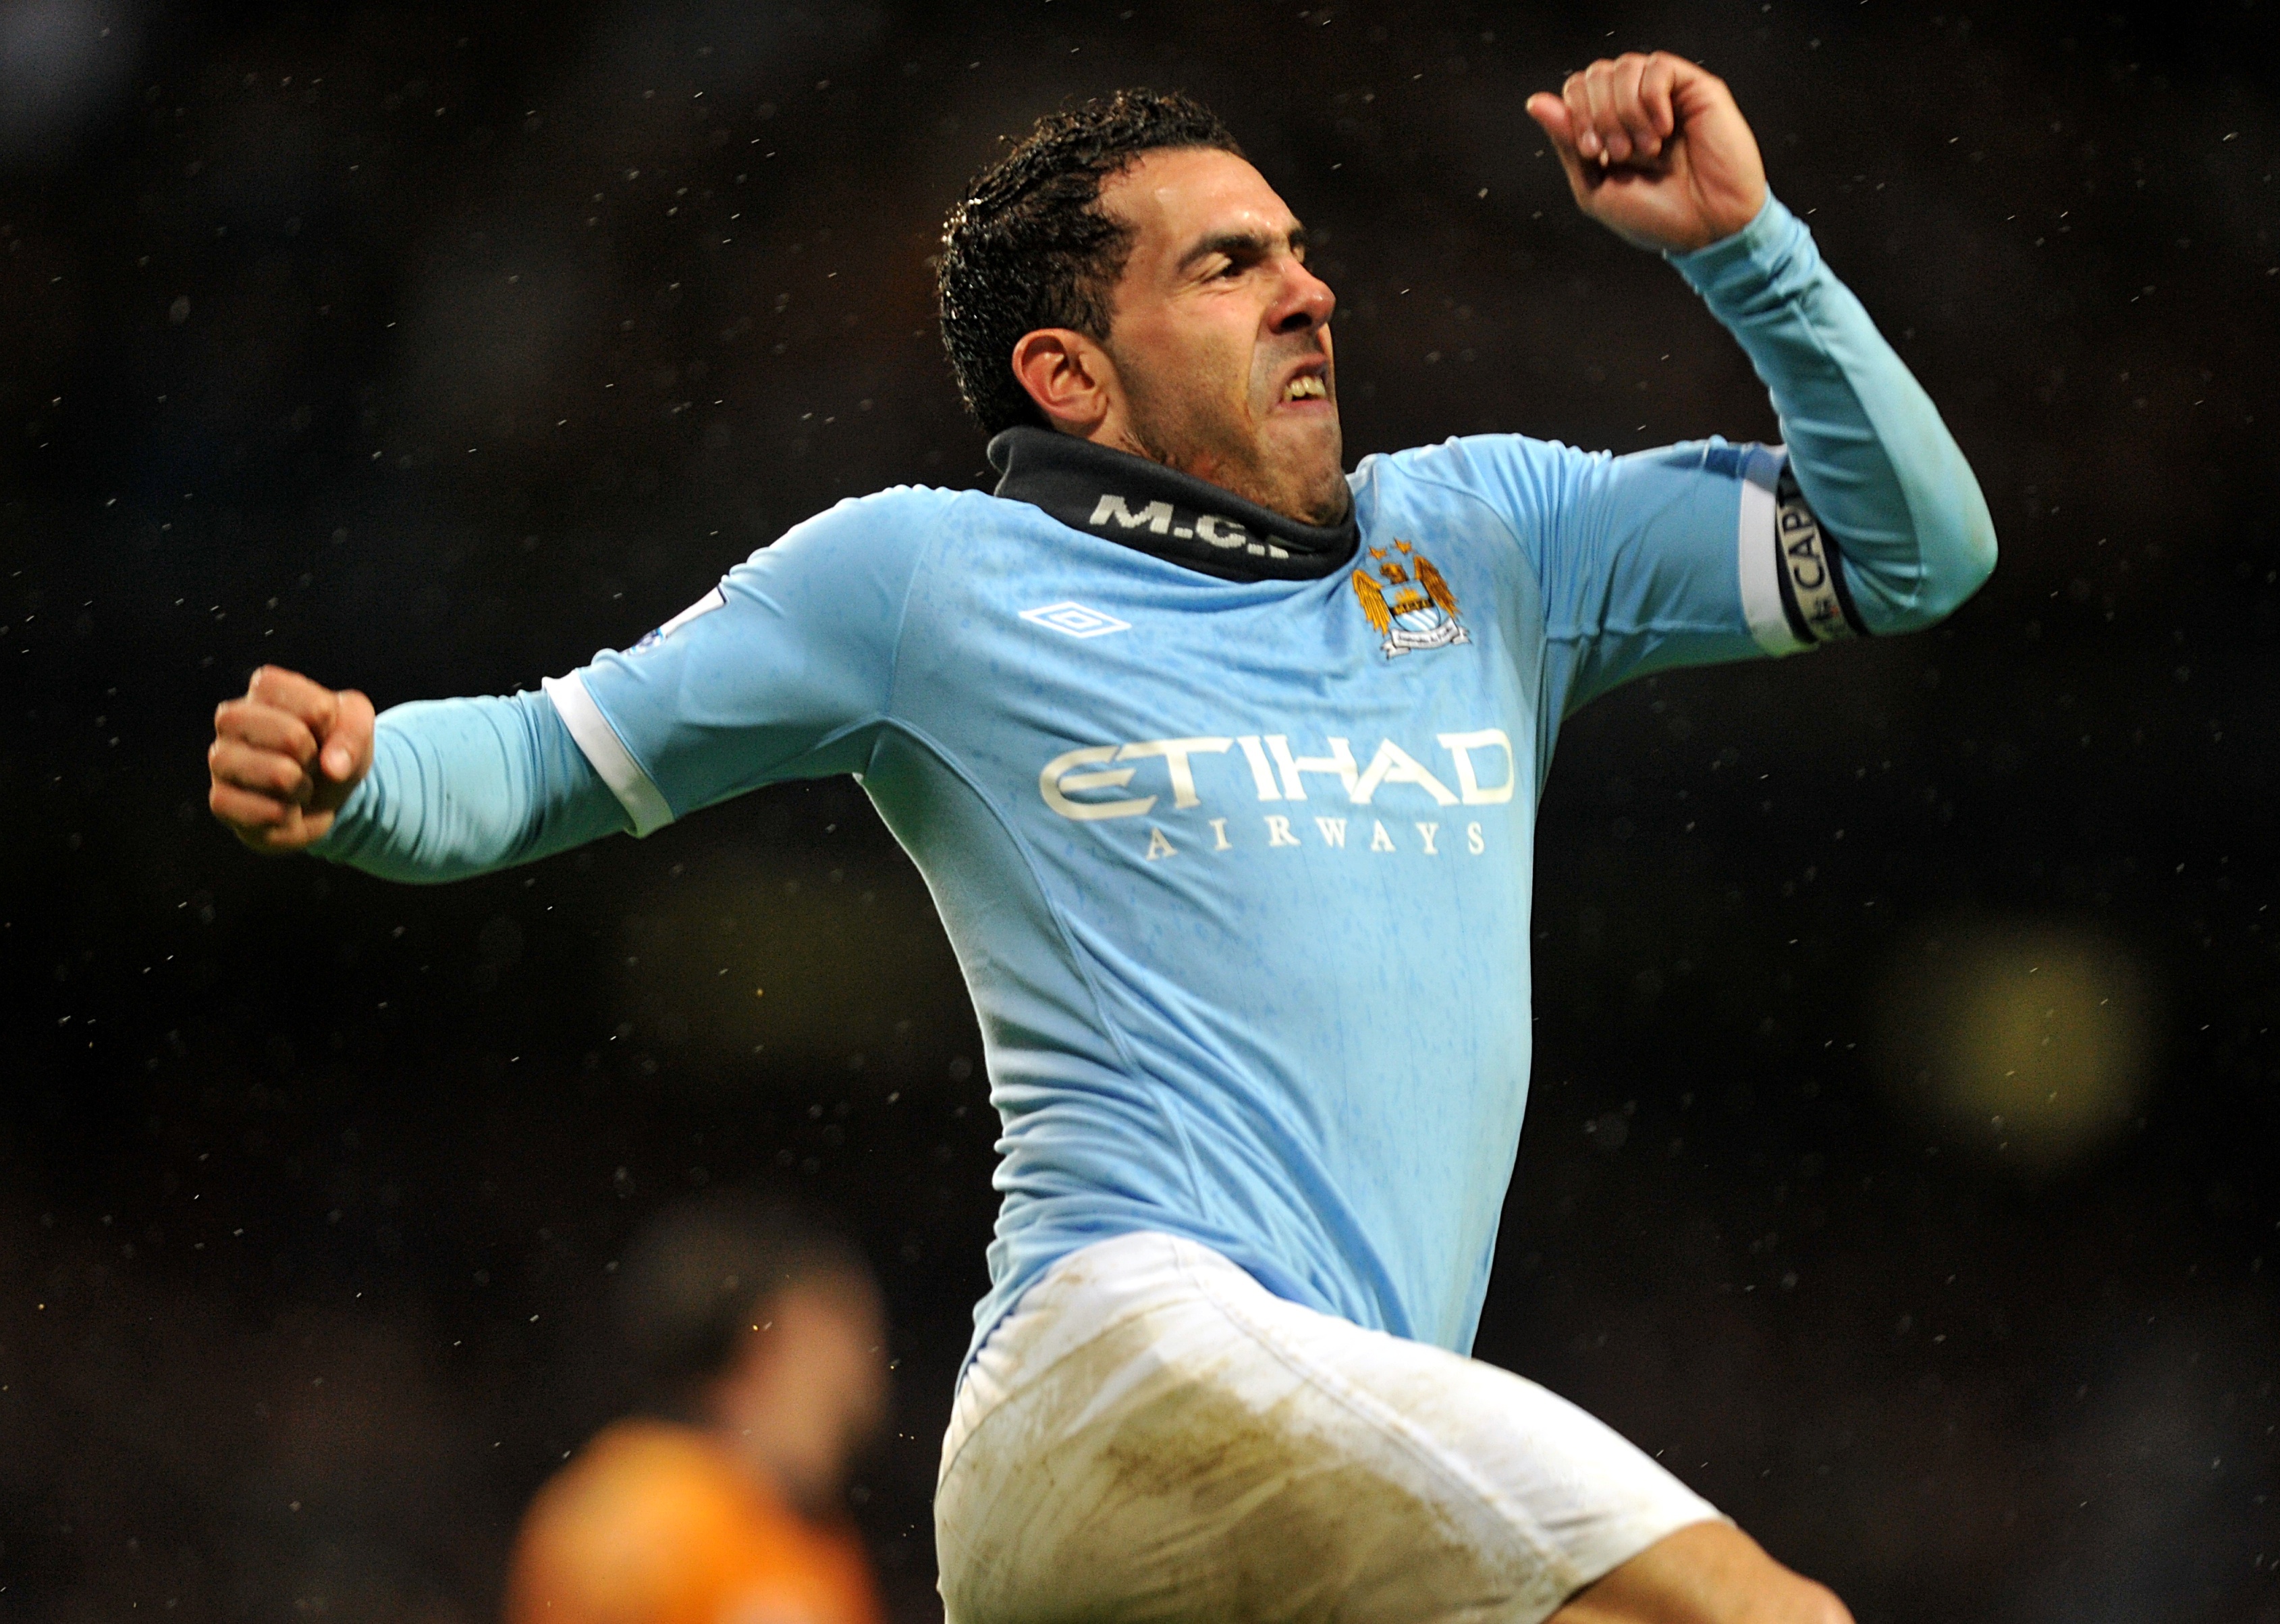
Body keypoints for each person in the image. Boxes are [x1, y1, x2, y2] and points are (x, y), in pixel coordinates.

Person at [209, 53, 1994, 1624]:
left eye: (1298, 251)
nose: (1312, 294)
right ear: (1068, 370)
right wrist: (362, 779)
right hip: (1116, 1363)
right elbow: (543, 754)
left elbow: (1923, 550)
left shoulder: (1496, 538)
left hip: (1329, 1460)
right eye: (1233, 265)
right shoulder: (922, 577)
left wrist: (1745, 251)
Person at [503, 1195, 889, 1624]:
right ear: (771, 1339)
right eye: (844, 1332)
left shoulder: (820, 1540)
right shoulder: (642, 1512)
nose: (865, 1375)